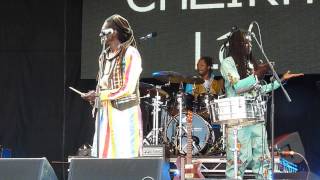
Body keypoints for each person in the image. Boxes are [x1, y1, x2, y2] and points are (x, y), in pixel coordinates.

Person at [219, 28, 303, 179]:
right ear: (236, 44)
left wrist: (281, 80)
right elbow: (238, 87)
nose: (249, 45)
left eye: (250, 42)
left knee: (262, 162)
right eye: (245, 42)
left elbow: (259, 90)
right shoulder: (228, 63)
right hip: (239, 122)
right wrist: (257, 75)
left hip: (257, 120)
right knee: (237, 164)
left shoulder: (250, 64)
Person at [82, 14, 143, 158]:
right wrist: (94, 96)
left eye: (104, 31)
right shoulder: (103, 56)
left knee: (125, 155)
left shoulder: (131, 53)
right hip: (105, 111)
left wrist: (100, 95)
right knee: (104, 155)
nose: (100, 34)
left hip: (124, 112)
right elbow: (102, 83)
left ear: (114, 32)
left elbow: (128, 87)